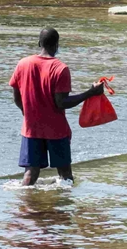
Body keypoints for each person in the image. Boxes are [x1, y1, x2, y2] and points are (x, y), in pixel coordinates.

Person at [9, 28, 104, 186]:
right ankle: (63, 208)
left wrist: (26, 113)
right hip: (56, 131)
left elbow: (16, 96)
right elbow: (61, 102)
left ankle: (25, 207)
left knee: (30, 174)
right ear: (57, 45)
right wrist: (90, 93)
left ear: (39, 43)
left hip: (31, 128)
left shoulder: (23, 64)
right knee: (65, 176)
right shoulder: (60, 69)